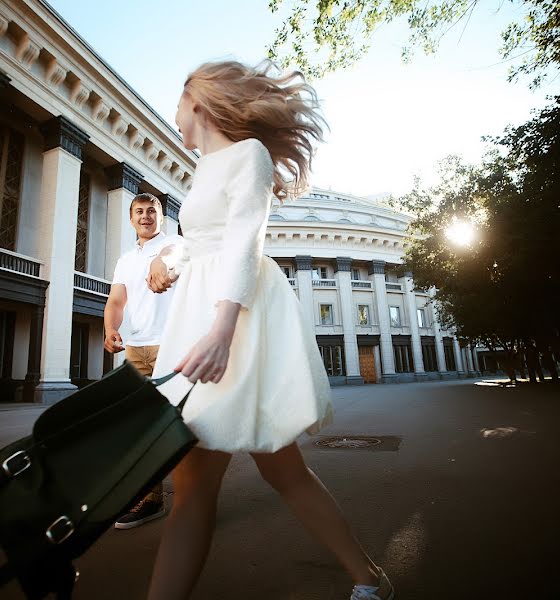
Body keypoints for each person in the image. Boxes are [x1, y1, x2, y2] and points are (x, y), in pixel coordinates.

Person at [145, 61, 394, 600]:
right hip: (202, 315)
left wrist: (221, 330)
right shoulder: (203, 169)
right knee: (193, 488)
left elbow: (244, 242)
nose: (174, 116)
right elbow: (204, 239)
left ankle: (369, 580)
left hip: (233, 318)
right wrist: (170, 255)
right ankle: (369, 578)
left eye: (177, 104)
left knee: (283, 472)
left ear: (198, 102)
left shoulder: (248, 156)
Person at [104, 192, 177, 529]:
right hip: (136, 348)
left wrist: (162, 259)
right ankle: (149, 498)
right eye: (139, 211)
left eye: (152, 211)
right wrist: (109, 329)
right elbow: (116, 301)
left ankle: (196, 495)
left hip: (171, 345)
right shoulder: (125, 259)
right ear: (131, 217)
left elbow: (172, 254)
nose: (146, 216)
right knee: (139, 425)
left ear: (161, 217)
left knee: (176, 423)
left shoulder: (175, 244)